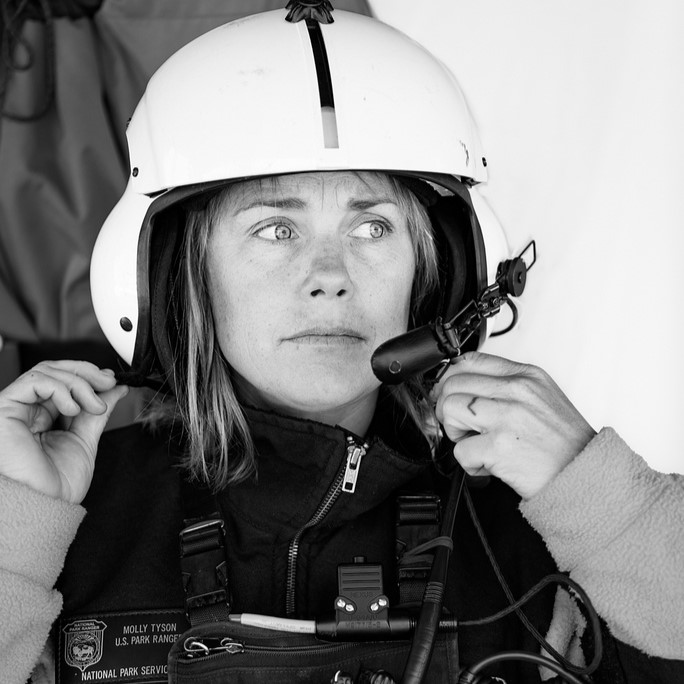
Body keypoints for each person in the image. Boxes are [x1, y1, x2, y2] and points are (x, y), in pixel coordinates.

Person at [0, 4, 682, 683]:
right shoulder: (68, 520)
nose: (328, 278)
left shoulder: (539, 520)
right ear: (183, 277)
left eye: (372, 229)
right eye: (275, 230)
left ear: (437, 270)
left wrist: (605, 502)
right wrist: (13, 532)